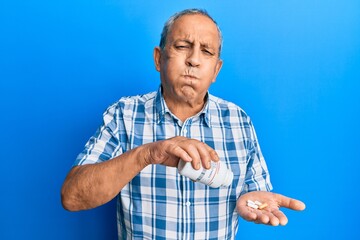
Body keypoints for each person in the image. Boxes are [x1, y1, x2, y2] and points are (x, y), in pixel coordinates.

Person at [61, 8, 305, 239]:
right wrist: (147, 154)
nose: (194, 60)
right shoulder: (124, 114)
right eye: (182, 46)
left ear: (216, 70)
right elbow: (72, 197)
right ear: (159, 58)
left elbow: (256, 193)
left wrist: (251, 199)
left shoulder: (238, 121)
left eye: (206, 52)